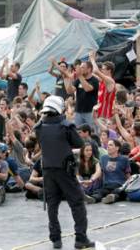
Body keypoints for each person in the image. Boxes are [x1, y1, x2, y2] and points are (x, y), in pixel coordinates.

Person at [34, 95, 94, 249]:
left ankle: (56, 240)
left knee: (52, 205)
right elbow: (79, 143)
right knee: (77, 202)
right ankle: (80, 238)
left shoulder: (39, 127)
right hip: (64, 170)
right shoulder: (65, 125)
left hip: (47, 171)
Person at [85, 139, 131, 204]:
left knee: (119, 193)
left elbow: (128, 176)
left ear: (117, 148)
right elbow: (99, 172)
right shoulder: (103, 158)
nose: (108, 146)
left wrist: (128, 187)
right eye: (108, 145)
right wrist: (92, 180)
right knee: (99, 192)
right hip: (107, 185)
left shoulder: (124, 159)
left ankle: (111, 197)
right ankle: (93, 199)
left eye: (111, 145)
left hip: (119, 185)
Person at [65, 61, 99, 129]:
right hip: (78, 111)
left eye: (82, 67)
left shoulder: (94, 80)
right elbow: (69, 91)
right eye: (80, 68)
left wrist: (80, 75)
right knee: (78, 132)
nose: (80, 69)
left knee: (92, 132)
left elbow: (87, 88)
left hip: (90, 112)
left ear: (89, 69)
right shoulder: (78, 80)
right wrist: (69, 79)